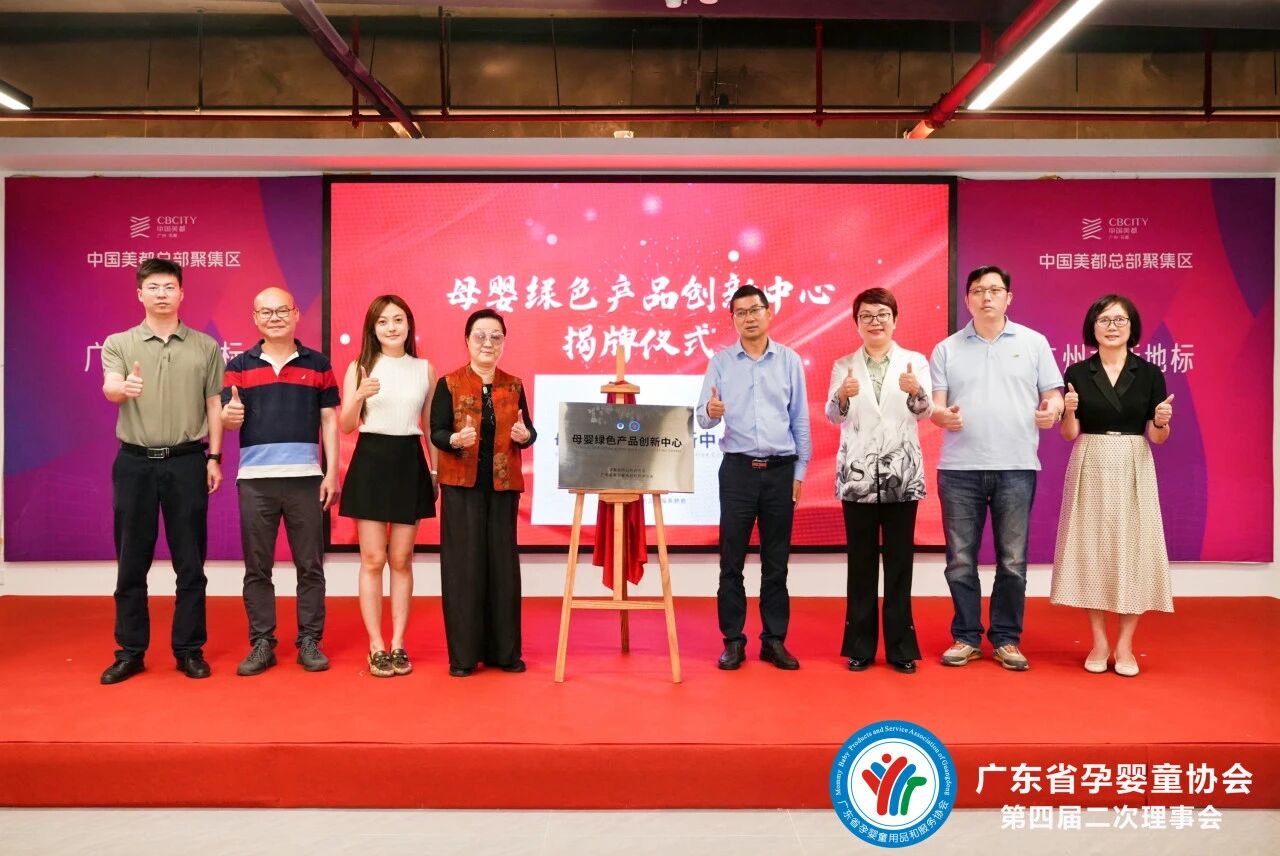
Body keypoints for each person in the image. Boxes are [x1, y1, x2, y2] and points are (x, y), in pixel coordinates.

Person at [929, 265, 1063, 672]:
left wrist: (1053, 411)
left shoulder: (1033, 343)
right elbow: (936, 406)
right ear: (967, 299)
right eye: (977, 291)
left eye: (994, 290)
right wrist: (942, 417)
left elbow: (1054, 395)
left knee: (1012, 561)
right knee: (960, 561)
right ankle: (966, 637)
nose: (986, 297)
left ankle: (1006, 639)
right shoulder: (947, 349)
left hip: (1016, 466)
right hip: (959, 469)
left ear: (1009, 297)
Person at [99, 259, 225, 684]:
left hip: (188, 461)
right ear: (140, 294)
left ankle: (189, 649)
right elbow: (110, 386)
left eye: (169, 287)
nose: (161, 294)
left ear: (181, 293)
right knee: (131, 561)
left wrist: (214, 458)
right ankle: (130, 651)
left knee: (190, 561)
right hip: (134, 463)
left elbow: (214, 404)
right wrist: (122, 389)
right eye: (153, 287)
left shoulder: (205, 346)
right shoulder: (119, 343)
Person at [1052, 295, 1174, 677]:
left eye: (1120, 320)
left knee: (1133, 552)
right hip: (1090, 460)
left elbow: (1157, 437)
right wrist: (1069, 411)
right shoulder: (1077, 371)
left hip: (1134, 462)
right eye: (1104, 320)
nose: (1112, 327)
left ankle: (1125, 645)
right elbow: (1069, 433)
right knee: (1091, 549)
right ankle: (1099, 641)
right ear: (1093, 327)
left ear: (1131, 327)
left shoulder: (1149, 373)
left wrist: (1162, 420)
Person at [221, 287, 340, 676]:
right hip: (256, 481)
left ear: (295, 314)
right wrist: (229, 417)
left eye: (282, 311)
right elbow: (227, 416)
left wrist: (331, 471)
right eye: (266, 312)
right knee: (258, 567)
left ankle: (309, 640)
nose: (274, 318)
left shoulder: (318, 364)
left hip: (306, 479)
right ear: (255, 318)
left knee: (310, 565)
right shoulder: (239, 365)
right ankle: (262, 643)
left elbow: (329, 421)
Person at [697, 285, 811, 671]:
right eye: (740, 312)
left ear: (769, 312)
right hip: (738, 472)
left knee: (776, 561)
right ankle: (733, 641)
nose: (748, 318)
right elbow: (702, 417)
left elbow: (800, 420)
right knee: (731, 560)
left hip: (780, 471)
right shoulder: (720, 362)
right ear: (733, 319)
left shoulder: (789, 360)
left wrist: (800, 471)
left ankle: (773, 641)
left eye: (755, 310)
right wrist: (711, 411)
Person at [825, 288, 931, 675]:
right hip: (858, 478)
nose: (875, 322)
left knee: (900, 565)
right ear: (857, 323)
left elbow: (924, 411)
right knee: (862, 565)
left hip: (902, 476)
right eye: (867, 316)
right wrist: (842, 395)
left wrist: (916, 391)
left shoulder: (914, 361)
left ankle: (901, 648)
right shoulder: (843, 365)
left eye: (882, 314)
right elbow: (833, 416)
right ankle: (860, 646)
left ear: (895, 320)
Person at [430, 309, 536, 678]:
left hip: (503, 488)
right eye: (480, 336)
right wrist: (454, 439)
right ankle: (463, 656)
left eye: (495, 336)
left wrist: (526, 436)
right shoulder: (449, 384)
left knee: (502, 568)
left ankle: (504, 653)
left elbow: (528, 431)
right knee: (464, 569)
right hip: (461, 488)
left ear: (504, 342)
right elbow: (436, 430)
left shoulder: (514, 385)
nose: (487, 343)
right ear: (467, 340)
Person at [338, 295, 436, 678]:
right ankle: (376, 645)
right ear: (373, 328)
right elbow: (347, 424)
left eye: (398, 320)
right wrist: (359, 396)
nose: (391, 327)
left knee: (401, 559)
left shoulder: (424, 369)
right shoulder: (360, 366)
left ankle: (398, 643)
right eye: (383, 321)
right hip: (371, 461)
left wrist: (435, 473)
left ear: (409, 325)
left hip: (410, 462)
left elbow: (428, 426)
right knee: (373, 559)